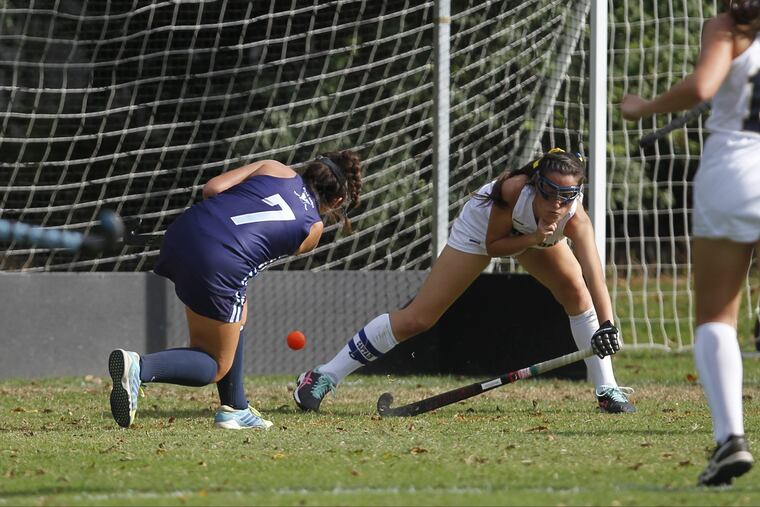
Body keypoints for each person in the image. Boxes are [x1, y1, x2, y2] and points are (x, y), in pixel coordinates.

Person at [294, 148, 634, 415]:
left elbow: (595, 275)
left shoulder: (575, 218)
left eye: (567, 197)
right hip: (484, 231)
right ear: (536, 186)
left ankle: (607, 389)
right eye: (550, 194)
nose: (557, 206)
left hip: (533, 237)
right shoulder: (513, 191)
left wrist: (607, 325)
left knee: (576, 291)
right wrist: (532, 238)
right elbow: (494, 246)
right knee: (419, 318)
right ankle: (323, 375)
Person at [108, 151, 362, 430]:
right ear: (337, 200)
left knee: (236, 315)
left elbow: (213, 189)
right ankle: (140, 368)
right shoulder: (313, 229)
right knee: (215, 364)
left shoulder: (275, 168)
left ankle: (236, 408)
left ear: (310, 169)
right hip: (219, 263)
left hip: (184, 231)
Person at [619, 0, 759, 487]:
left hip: (735, 170)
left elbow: (703, 86)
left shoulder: (728, 25)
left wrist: (645, 107)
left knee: (716, 319)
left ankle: (730, 440)